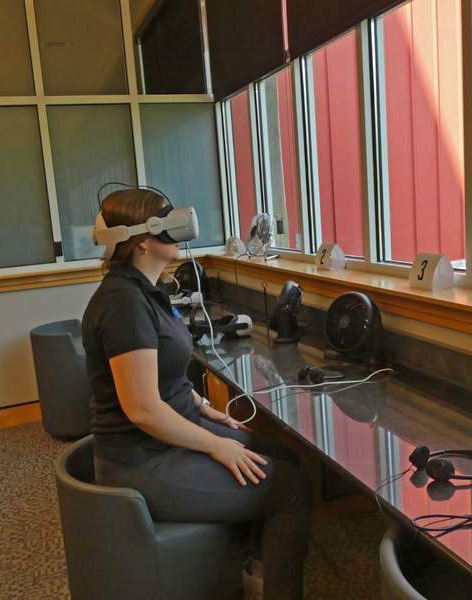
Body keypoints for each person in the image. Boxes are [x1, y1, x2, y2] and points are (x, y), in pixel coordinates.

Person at [82, 188, 312, 600]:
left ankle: (256, 574)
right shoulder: (123, 304)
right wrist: (216, 445)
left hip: (171, 436)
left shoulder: (147, 290)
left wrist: (204, 407)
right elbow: (143, 409)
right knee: (289, 486)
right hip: (142, 460)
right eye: (167, 219)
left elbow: (165, 380)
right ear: (142, 240)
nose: (180, 227)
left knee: (288, 457)